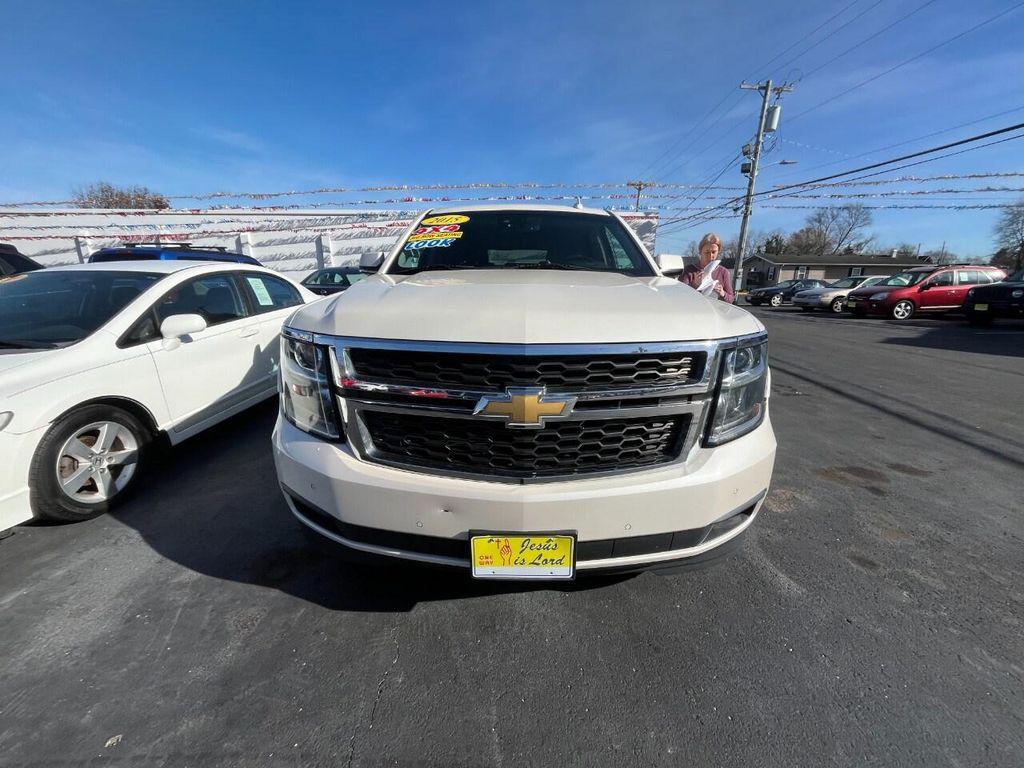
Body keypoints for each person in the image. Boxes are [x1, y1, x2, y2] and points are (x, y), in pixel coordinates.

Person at [680, 232, 735, 303]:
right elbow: (680, 295)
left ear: (718, 252)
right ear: (700, 252)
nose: (710, 256)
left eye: (714, 252)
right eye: (707, 252)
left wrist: (722, 293)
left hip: (715, 312)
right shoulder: (689, 270)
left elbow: (731, 299)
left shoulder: (723, 272)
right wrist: (694, 286)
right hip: (694, 311)